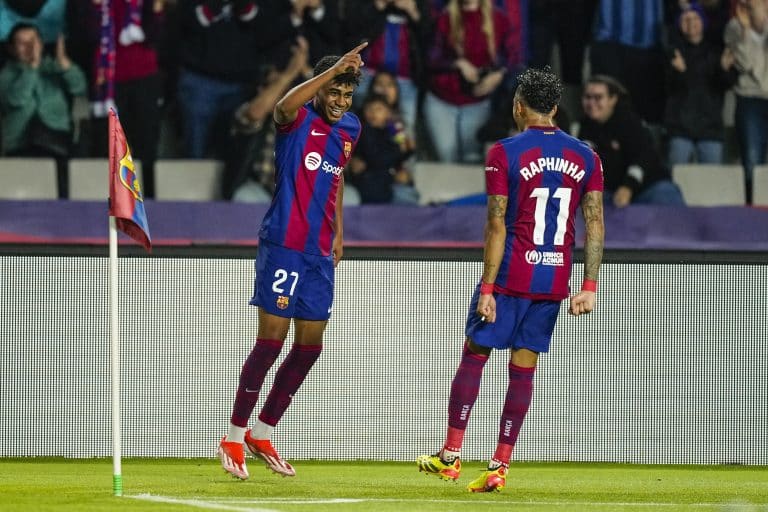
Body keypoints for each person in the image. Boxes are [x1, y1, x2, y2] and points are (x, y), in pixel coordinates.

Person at [416, 66, 605, 493]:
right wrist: (589, 286)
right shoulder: (587, 156)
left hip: (509, 277)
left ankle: (450, 456)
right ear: (555, 108)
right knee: (523, 370)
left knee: (475, 354)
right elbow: (594, 222)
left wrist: (487, 287)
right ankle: (499, 465)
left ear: (519, 106)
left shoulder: (505, 152)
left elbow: (496, 223)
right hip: (554, 281)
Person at [217, 42, 367, 480]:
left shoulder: (351, 128)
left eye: (346, 95)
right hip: (283, 242)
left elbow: (334, 180)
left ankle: (262, 432)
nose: (340, 102)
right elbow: (282, 104)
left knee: (310, 347)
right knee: (270, 342)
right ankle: (232, 434)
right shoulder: (297, 119)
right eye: (334, 92)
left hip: (319, 252)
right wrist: (333, 67)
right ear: (320, 90)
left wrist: (339, 231)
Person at [0, 22, 87, 198]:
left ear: (41, 43)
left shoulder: (53, 67)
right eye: (22, 43)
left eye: (33, 41)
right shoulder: (7, 74)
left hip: (56, 144)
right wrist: (32, 68)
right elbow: (16, 99)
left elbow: (80, 87)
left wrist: (65, 65)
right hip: (20, 145)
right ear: (11, 48)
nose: (30, 47)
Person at [577, 74, 686, 207]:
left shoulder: (630, 122)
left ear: (613, 99)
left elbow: (644, 157)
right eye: (587, 97)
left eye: (598, 97)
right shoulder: (585, 126)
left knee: (666, 195)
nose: (591, 103)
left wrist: (628, 187)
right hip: (611, 193)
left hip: (647, 188)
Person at [663, 2, 737, 167]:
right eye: (686, 19)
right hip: (680, 131)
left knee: (711, 185)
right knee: (676, 182)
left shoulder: (716, 52)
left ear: (703, 22)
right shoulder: (672, 53)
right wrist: (679, 72)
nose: (691, 23)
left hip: (711, 130)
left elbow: (726, 85)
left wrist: (725, 69)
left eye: (695, 18)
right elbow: (667, 88)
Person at [724, 0, 768, 204]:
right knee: (752, 160)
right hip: (749, 98)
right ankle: (753, 209)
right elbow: (745, 62)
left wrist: (761, 27)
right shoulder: (733, 26)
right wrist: (745, 31)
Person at [346, 92, 419, 204]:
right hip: (368, 184)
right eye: (369, 109)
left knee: (411, 198)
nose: (373, 113)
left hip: (387, 184)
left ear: (388, 113)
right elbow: (377, 159)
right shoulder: (363, 130)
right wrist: (401, 150)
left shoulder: (394, 131)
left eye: (379, 109)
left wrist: (409, 150)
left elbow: (398, 160)